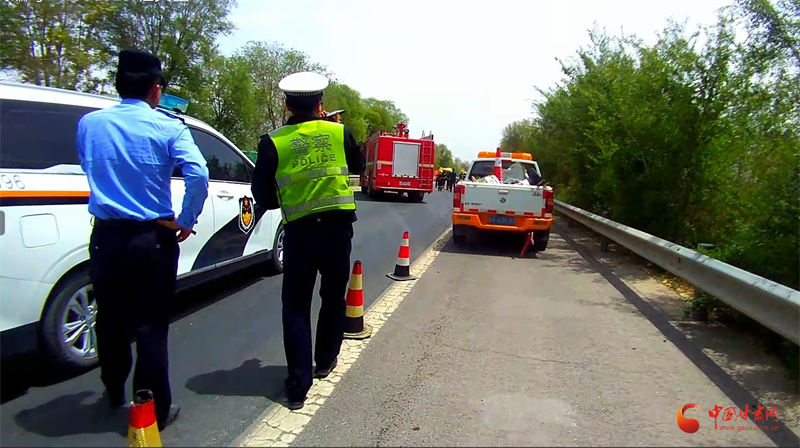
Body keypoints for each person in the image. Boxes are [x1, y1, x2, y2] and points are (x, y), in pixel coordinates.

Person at [76, 49, 209, 430]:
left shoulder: (90, 124)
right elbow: (198, 174)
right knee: (151, 325)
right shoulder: (169, 127)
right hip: (153, 239)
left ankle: (113, 388)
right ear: (156, 88)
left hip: (106, 238)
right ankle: (152, 409)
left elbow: (87, 164)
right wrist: (186, 220)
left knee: (110, 318)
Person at [251, 71, 366, 410]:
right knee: (332, 297)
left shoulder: (273, 141)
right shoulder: (339, 132)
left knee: (296, 306)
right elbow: (358, 167)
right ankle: (326, 360)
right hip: (337, 230)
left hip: (299, 234)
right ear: (320, 104)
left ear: (287, 105)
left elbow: (263, 196)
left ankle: (298, 385)